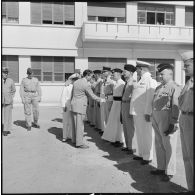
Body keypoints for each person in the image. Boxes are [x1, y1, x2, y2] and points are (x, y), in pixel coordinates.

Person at [151, 63, 181, 182]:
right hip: (156, 116)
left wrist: (174, 121)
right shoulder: (159, 87)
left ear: (170, 73)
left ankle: (170, 171)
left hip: (167, 116)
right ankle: (161, 167)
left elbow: (176, 106)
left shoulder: (175, 87)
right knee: (159, 143)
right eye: (159, 74)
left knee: (169, 145)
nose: (159, 76)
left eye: (162, 74)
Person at [130, 60, 157, 165]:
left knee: (147, 135)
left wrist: (148, 112)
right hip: (137, 112)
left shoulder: (150, 81)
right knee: (140, 134)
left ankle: (147, 156)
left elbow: (150, 99)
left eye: (137, 69)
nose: (137, 71)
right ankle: (141, 154)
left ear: (141, 69)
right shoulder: (141, 80)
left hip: (144, 113)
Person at [71, 69, 105, 149]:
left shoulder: (76, 82)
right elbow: (92, 95)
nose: (91, 77)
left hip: (74, 105)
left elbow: (72, 94)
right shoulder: (85, 84)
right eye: (91, 76)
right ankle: (79, 144)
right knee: (80, 126)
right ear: (87, 75)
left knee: (75, 125)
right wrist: (102, 99)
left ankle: (75, 140)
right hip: (80, 106)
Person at [178, 51, 193, 191]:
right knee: (187, 157)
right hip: (184, 117)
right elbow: (181, 100)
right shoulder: (189, 81)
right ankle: (191, 188)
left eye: (187, 65)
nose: (184, 68)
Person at [102, 68, 125, 147]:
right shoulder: (116, 83)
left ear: (119, 74)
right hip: (115, 103)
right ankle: (115, 138)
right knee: (114, 122)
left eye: (114, 74)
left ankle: (120, 140)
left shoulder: (122, 83)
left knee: (118, 122)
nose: (113, 76)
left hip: (119, 104)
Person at [121, 64, 137, 154]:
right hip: (123, 105)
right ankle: (127, 146)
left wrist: (132, 109)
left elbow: (134, 97)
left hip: (128, 105)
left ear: (130, 72)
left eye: (125, 71)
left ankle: (132, 147)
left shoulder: (133, 82)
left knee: (130, 127)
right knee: (125, 127)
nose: (123, 73)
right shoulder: (127, 82)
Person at [60, 73, 79, 142]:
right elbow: (63, 96)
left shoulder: (77, 86)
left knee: (72, 121)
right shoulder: (67, 86)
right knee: (66, 121)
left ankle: (70, 135)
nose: (75, 81)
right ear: (71, 79)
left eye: (77, 79)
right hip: (67, 105)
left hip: (74, 105)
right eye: (74, 79)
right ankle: (64, 136)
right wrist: (63, 106)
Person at [2, 67, 16, 136]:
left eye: (7, 72)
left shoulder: (10, 80)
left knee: (8, 116)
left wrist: (10, 97)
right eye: (4, 72)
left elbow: (13, 90)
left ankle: (6, 130)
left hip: (8, 100)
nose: (6, 74)